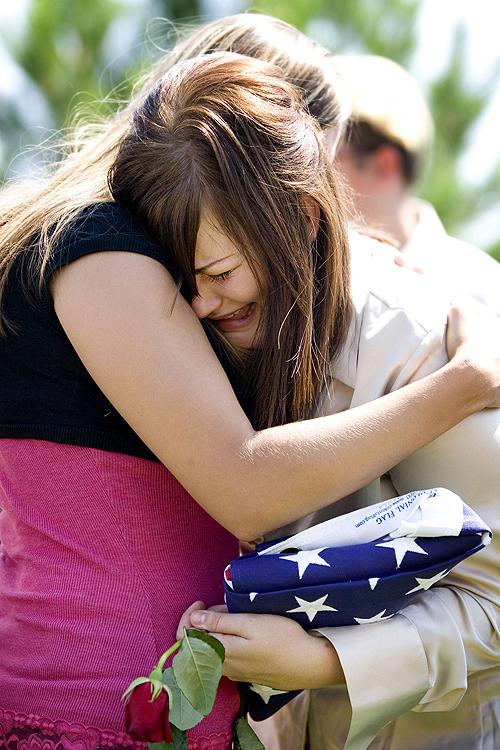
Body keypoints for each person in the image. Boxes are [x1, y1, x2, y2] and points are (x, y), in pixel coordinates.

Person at [0, 36, 498, 750]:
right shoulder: (173, 308)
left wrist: (329, 664)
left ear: (293, 208)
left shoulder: (420, 337)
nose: (199, 306)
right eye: (180, 279)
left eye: (222, 272)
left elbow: (493, 602)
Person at [333, 54, 500, 314]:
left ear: (385, 163)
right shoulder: (309, 281)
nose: (308, 172)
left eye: (330, 151)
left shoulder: (481, 290)